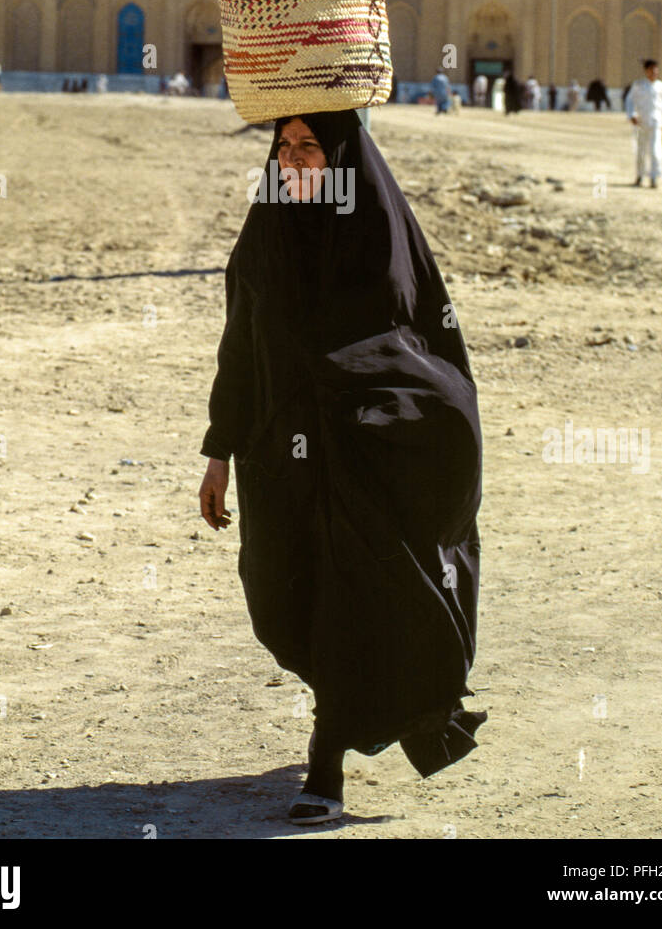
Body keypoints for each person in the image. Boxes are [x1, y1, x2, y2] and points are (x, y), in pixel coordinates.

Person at [198, 110, 486, 825]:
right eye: (284, 146)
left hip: (364, 452)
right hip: (278, 456)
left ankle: (324, 770)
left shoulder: (373, 237)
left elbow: (406, 347)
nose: (294, 160)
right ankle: (374, 711)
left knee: (348, 600)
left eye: (311, 148)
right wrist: (218, 450)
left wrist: (352, 400)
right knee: (282, 594)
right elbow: (239, 349)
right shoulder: (264, 234)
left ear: (343, 160)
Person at [625, 59, 662, 187]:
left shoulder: (661, 86)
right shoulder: (638, 85)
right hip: (641, 122)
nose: (654, 72)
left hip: (655, 122)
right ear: (646, 71)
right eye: (652, 69)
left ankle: (654, 177)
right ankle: (639, 176)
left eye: (656, 69)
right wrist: (632, 115)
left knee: (655, 150)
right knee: (641, 151)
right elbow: (629, 100)